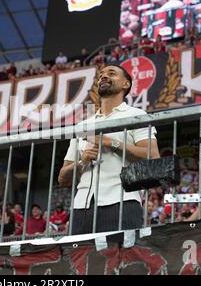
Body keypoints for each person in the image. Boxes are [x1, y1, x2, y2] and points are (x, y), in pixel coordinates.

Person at [58, 65, 160, 234]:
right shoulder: (83, 125)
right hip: (82, 206)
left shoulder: (136, 114)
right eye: (101, 75)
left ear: (125, 84)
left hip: (123, 200)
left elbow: (153, 155)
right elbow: (62, 178)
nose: (104, 77)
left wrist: (110, 143)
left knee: (123, 257)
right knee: (81, 259)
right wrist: (81, 161)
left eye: (111, 74)